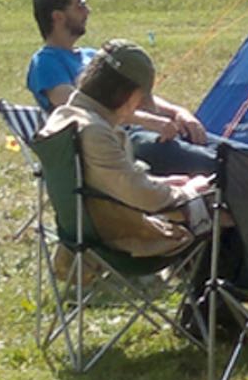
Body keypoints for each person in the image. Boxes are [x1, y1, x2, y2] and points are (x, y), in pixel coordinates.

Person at [38, 40, 215, 258]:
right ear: (127, 94)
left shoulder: (64, 118)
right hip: (120, 238)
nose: (139, 105)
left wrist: (159, 183)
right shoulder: (94, 132)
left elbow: (103, 183)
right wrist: (188, 192)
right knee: (220, 207)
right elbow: (140, 196)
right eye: (140, 98)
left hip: (87, 228)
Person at [26, 0, 217, 175]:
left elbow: (136, 93)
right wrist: (150, 121)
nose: (87, 11)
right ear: (58, 17)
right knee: (218, 165)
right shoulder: (45, 63)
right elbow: (81, 107)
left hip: (142, 133)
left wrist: (177, 112)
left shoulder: (92, 56)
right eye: (80, 5)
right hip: (111, 143)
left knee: (235, 153)